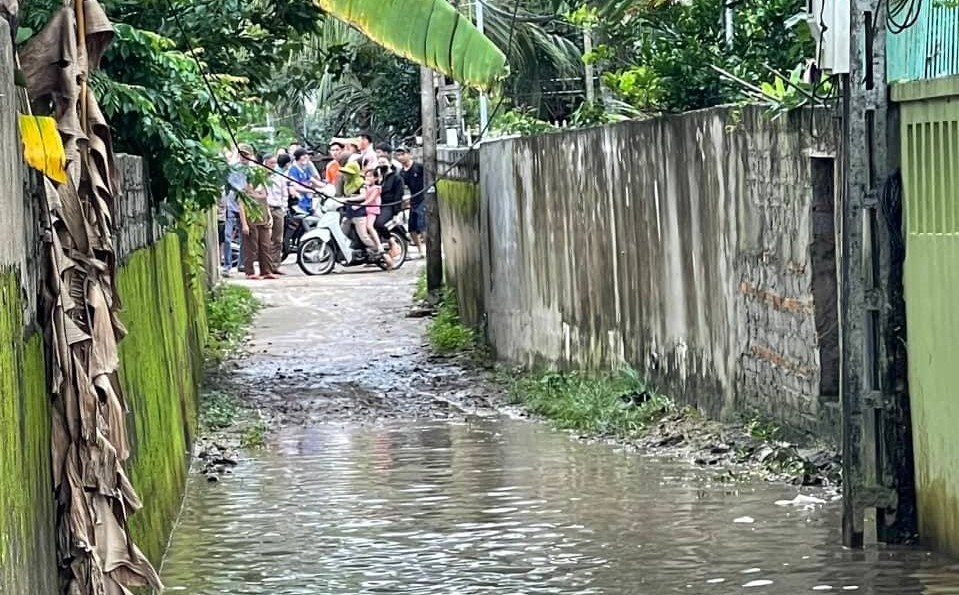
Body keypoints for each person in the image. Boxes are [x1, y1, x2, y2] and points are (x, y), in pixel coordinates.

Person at [230, 144, 275, 280]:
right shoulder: (236, 171)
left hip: (262, 214)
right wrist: (244, 223)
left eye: (247, 154)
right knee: (251, 245)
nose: (244, 157)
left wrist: (269, 215)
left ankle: (266, 270)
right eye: (241, 154)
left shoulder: (256, 171)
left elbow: (265, 197)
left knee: (265, 244)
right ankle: (249, 272)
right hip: (249, 214)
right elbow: (241, 200)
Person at [396, 146, 426, 257]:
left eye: (403, 154)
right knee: (412, 228)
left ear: (409, 154)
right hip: (413, 199)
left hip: (423, 198)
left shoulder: (419, 167)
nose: (401, 157)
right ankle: (420, 250)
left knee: (422, 225)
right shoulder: (402, 173)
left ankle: (428, 250)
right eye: (398, 155)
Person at [266, 152, 290, 272]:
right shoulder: (261, 177)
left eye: (274, 163)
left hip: (278, 209)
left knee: (278, 240)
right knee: (266, 239)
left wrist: (284, 208)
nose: (273, 165)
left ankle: (275, 265)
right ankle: (266, 266)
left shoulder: (279, 177)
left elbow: (284, 193)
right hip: (266, 208)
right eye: (271, 163)